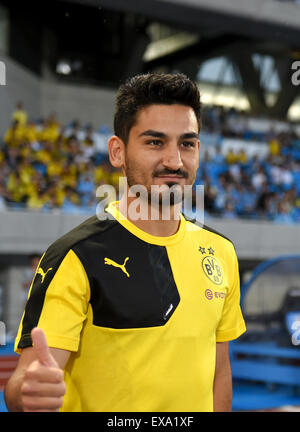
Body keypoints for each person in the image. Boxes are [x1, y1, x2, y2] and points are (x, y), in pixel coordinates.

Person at [5, 73, 246, 412]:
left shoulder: (221, 252)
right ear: (118, 152)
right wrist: (27, 391)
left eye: (186, 143)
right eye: (155, 142)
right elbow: (23, 382)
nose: (174, 161)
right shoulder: (75, 256)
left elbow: (220, 372)